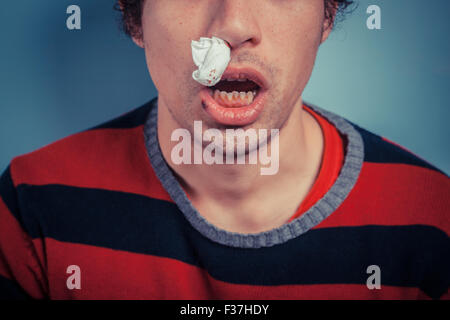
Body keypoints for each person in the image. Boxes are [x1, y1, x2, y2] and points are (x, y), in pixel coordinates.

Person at [0, 0, 448, 300]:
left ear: (326, 15)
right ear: (135, 17)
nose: (232, 27)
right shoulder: (32, 205)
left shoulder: (432, 218)